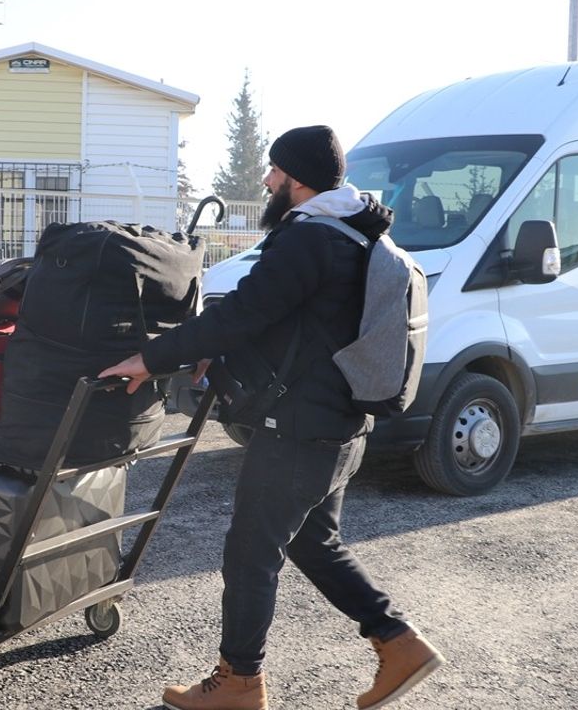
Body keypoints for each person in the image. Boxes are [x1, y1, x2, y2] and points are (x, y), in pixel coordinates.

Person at [100, 126, 443, 710]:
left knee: (250, 550)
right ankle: (399, 644)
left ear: (297, 179)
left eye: (274, 171)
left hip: (301, 429)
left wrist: (150, 358)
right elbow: (284, 317)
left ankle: (239, 680)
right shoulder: (351, 234)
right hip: (339, 425)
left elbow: (247, 314)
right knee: (314, 542)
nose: (266, 181)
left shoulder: (310, 239)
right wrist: (213, 344)